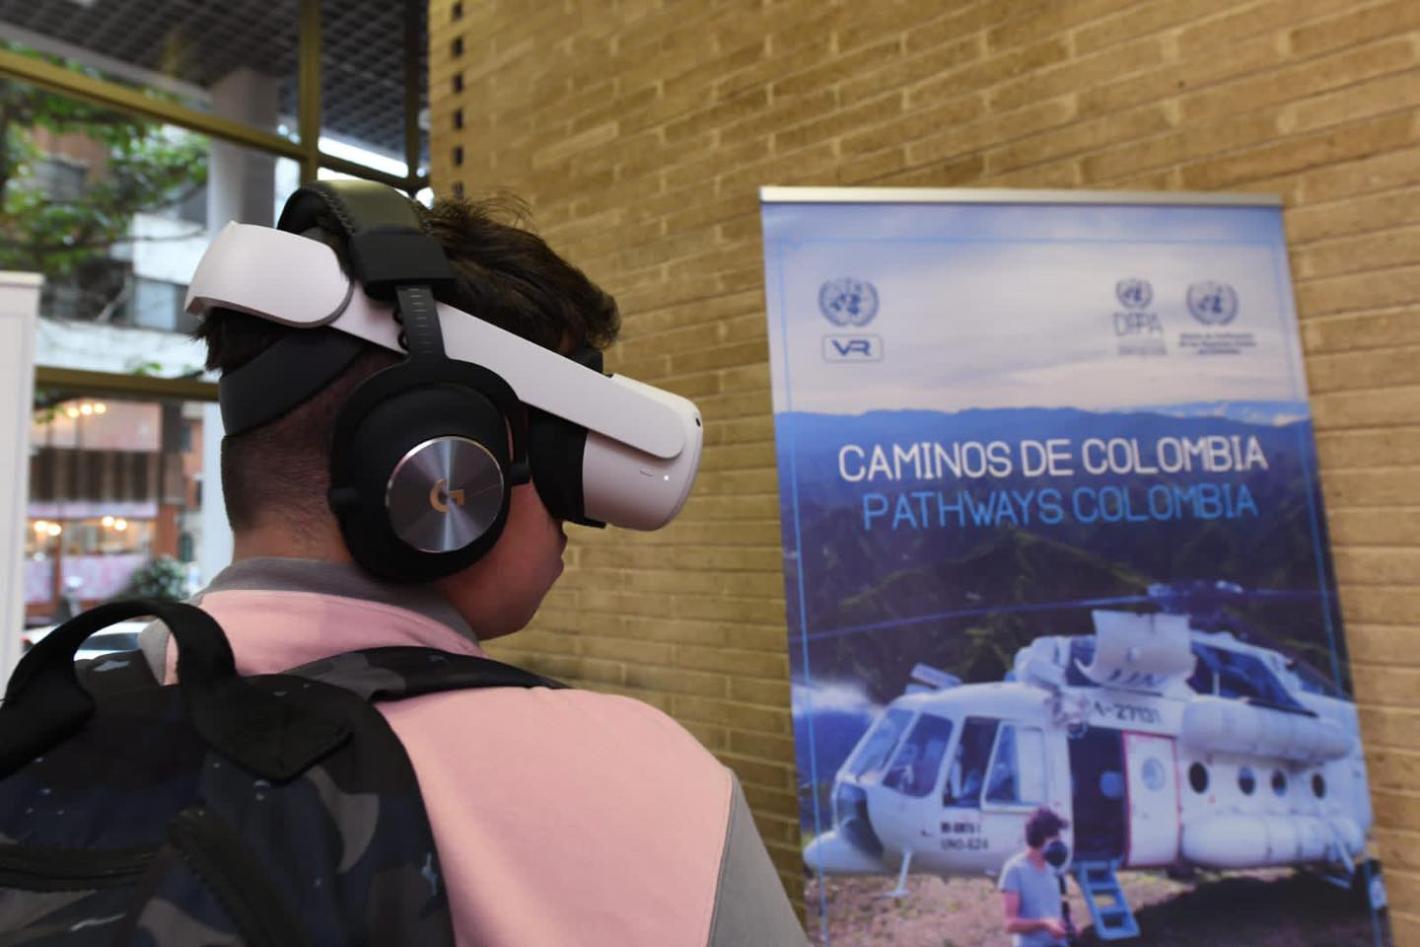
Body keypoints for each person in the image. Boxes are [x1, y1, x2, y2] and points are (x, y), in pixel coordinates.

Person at [138, 190, 806, 947]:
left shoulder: (78, 706)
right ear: (442, 457)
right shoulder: (649, 788)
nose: (578, 511)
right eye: (558, 447)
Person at [999, 806, 1072, 947]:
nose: (1060, 841)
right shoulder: (1015, 870)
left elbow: (1062, 908)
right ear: (1041, 839)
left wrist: (1070, 924)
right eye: (1055, 836)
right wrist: (1044, 924)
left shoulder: (1055, 868)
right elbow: (1010, 924)